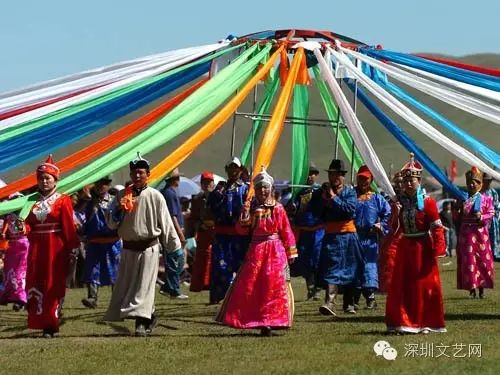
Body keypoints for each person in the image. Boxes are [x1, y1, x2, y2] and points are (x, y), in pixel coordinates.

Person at [104, 153, 181, 337]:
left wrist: (174, 247)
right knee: (129, 286)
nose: (137, 176)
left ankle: (141, 323)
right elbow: (111, 223)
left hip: (148, 249)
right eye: (134, 173)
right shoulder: (123, 196)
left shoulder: (155, 196)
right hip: (129, 248)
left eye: (141, 172)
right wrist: (115, 212)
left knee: (144, 287)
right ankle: (150, 315)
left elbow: (166, 223)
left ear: (148, 174)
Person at [216, 167, 297, 336]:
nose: (262, 190)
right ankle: (254, 319)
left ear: (271, 188)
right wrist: (244, 214)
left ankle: (272, 320)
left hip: (275, 251)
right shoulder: (252, 208)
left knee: (273, 286)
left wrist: (291, 252)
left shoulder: (278, 208)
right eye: (259, 187)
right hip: (256, 250)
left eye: (265, 187)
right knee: (252, 285)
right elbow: (242, 230)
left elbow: (286, 231)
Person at [385, 154, 446, 334]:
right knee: (403, 285)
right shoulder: (400, 203)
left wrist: (439, 248)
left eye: (412, 180)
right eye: (406, 181)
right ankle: (403, 322)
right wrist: (395, 211)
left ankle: (426, 322)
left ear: (419, 181)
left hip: (423, 248)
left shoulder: (428, 203)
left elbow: (437, 227)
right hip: (406, 248)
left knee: (423, 285)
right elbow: (394, 227)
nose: (409, 184)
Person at [25, 155, 80, 338]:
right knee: (35, 282)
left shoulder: (62, 200)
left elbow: (68, 227)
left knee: (52, 284)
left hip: (55, 248)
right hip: (36, 248)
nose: (44, 181)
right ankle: (39, 322)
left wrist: (72, 248)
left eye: (48, 178)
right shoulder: (30, 201)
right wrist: (22, 227)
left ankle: (51, 324)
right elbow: (28, 224)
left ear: (56, 180)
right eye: (41, 178)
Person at [312, 159, 364, 316]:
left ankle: (349, 304)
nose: (334, 178)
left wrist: (334, 198)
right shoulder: (322, 193)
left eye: (337, 175)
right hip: (331, 236)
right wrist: (322, 200)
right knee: (331, 268)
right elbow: (315, 212)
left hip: (348, 236)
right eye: (331, 175)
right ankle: (330, 303)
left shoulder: (350, 192)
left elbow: (349, 210)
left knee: (351, 269)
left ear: (343, 177)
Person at [207, 157, 250, 304]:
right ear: (226, 170)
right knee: (220, 266)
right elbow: (211, 205)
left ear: (240, 170)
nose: (233, 171)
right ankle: (217, 295)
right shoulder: (220, 188)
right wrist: (219, 193)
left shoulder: (246, 189)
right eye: (230, 168)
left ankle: (240, 297)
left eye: (236, 168)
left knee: (241, 266)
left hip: (240, 235)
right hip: (222, 234)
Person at [81, 177, 122, 308]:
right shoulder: (89, 202)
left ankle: (117, 299)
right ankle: (92, 298)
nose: (101, 186)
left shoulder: (114, 201)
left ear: (109, 185)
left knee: (115, 271)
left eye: (104, 183)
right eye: (98, 183)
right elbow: (85, 220)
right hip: (94, 241)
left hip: (112, 242)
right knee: (93, 269)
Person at [354, 166, 391, 309]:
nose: (363, 181)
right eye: (360, 178)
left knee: (369, 266)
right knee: (354, 267)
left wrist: (380, 225)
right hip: (354, 237)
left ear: (371, 180)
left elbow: (388, 214)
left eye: (366, 178)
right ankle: (353, 299)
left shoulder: (377, 198)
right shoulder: (351, 196)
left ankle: (370, 298)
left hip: (370, 238)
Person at [457, 167, 495, 299]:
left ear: (480, 184)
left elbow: (491, 212)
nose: (472, 184)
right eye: (470, 182)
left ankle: (482, 288)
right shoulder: (463, 198)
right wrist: (458, 210)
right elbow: (458, 216)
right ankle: (471, 288)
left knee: (482, 260)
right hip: (466, 235)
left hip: (480, 234)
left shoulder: (486, 199)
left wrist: (481, 217)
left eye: (474, 182)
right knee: (469, 261)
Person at [287, 163, 324, 300]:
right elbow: (292, 211)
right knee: (305, 260)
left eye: (312, 173)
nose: (310, 176)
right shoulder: (297, 193)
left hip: (318, 232)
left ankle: (318, 288)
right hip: (303, 233)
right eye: (307, 173)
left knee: (317, 259)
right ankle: (310, 288)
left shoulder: (320, 192)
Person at [159, 168, 188, 299]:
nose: (179, 180)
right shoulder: (169, 194)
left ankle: (168, 286)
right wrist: (180, 234)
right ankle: (173, 289)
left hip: (171, 231)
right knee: (176, 260)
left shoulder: (167, 192)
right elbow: (172, 216)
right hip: (172, 231)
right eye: (177, 178)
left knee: (174, 260)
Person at [0, 194, 29, 311]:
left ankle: (21, 300)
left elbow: (27, 230)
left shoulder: (25, 215)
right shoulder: (8, 218)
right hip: (11, 247)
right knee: (9, 272)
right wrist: (3, 235)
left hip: (23, 246)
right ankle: (9, 297)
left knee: (20, 272)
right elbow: (4, 233)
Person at [189, 171, 215, 292]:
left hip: (215, 231)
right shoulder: (197, 199)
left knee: (213, 257)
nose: (207, 185)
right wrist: (199, 225)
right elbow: (193, 217)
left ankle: (211, 283)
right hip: (203, 231)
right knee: (201, 258)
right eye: (205, 182)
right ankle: (198, 284)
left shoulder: (219, 197)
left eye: (209, 182)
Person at [378, 172, 403, 293]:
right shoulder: (389, 199)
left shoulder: (413, 199)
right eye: (396, 182)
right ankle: (388, 285)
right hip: (391, 234)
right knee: (388, 258)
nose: (398, 184)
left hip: (405, 234)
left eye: (401, 181)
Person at [481, 173, 500, 260]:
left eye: (489, 180)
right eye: (486, 180)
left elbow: (497, 206)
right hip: (482, 219)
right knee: (483, 237)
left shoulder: (493, 192)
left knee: (493, 237)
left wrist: (496, 216)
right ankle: (484, 254)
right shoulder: (479, 193)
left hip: (492, 220)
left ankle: (494, 254)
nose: (487, 182)